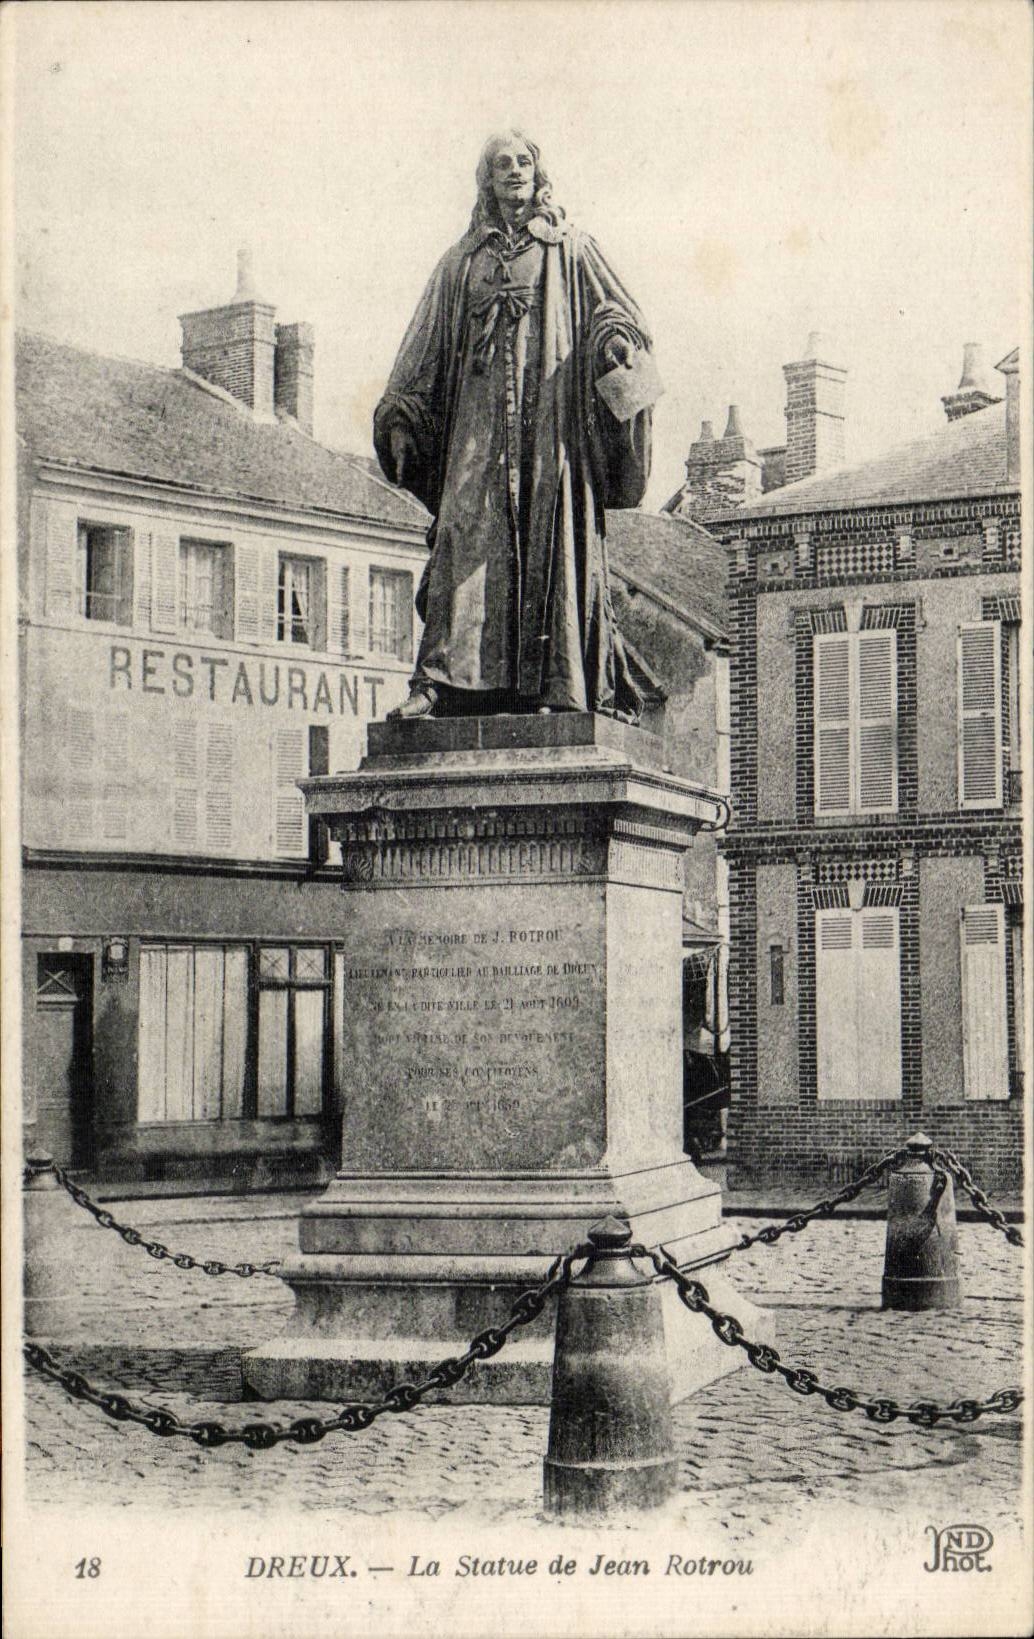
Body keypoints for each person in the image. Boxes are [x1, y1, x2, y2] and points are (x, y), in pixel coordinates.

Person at [373, 130, 654, 720]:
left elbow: (621, 316)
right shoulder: (461, 262)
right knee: (462, 532)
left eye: (524, 161)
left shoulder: (570, 249)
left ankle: (557, 686)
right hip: (475, 433)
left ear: (538, 173)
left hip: (550, 429)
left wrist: (614, 342)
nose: (514, 170)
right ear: (487, 178)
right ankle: (440, 680)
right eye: (502, 163)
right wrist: (402, 416)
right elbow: (424, 348)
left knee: (550, 540)